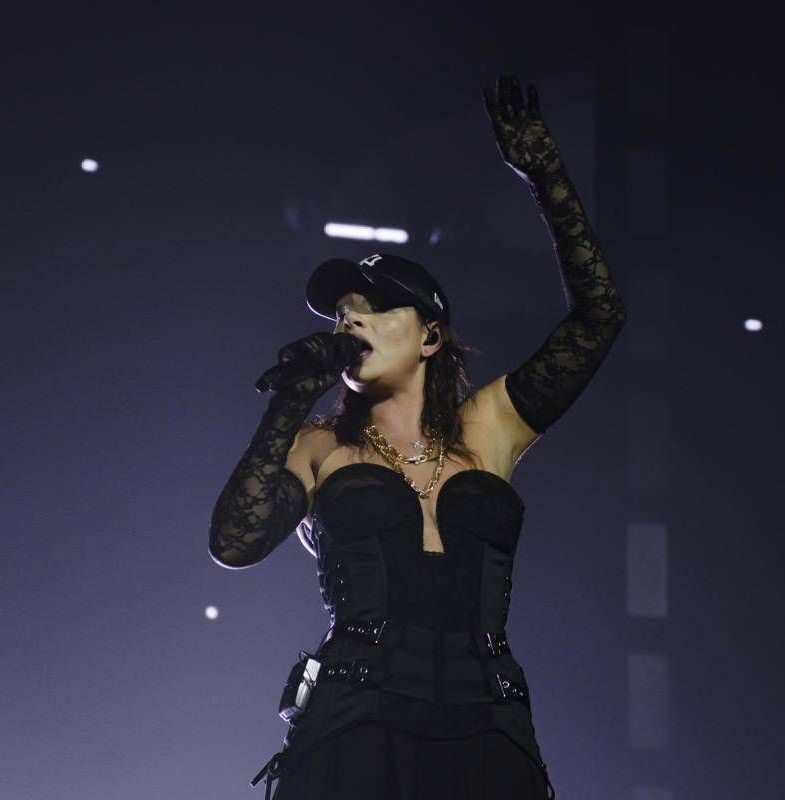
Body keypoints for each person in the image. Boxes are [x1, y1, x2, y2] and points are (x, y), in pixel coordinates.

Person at [209, 74, 627, 799]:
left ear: (431, 336)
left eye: (375, 308)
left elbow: (599, 319)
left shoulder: (486, 429)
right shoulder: (320, 445)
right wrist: (295, 394)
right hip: (354, 727)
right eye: (342, 313)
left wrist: (545, 176)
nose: (351, 320)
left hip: (489, 731)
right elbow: (234, 542)